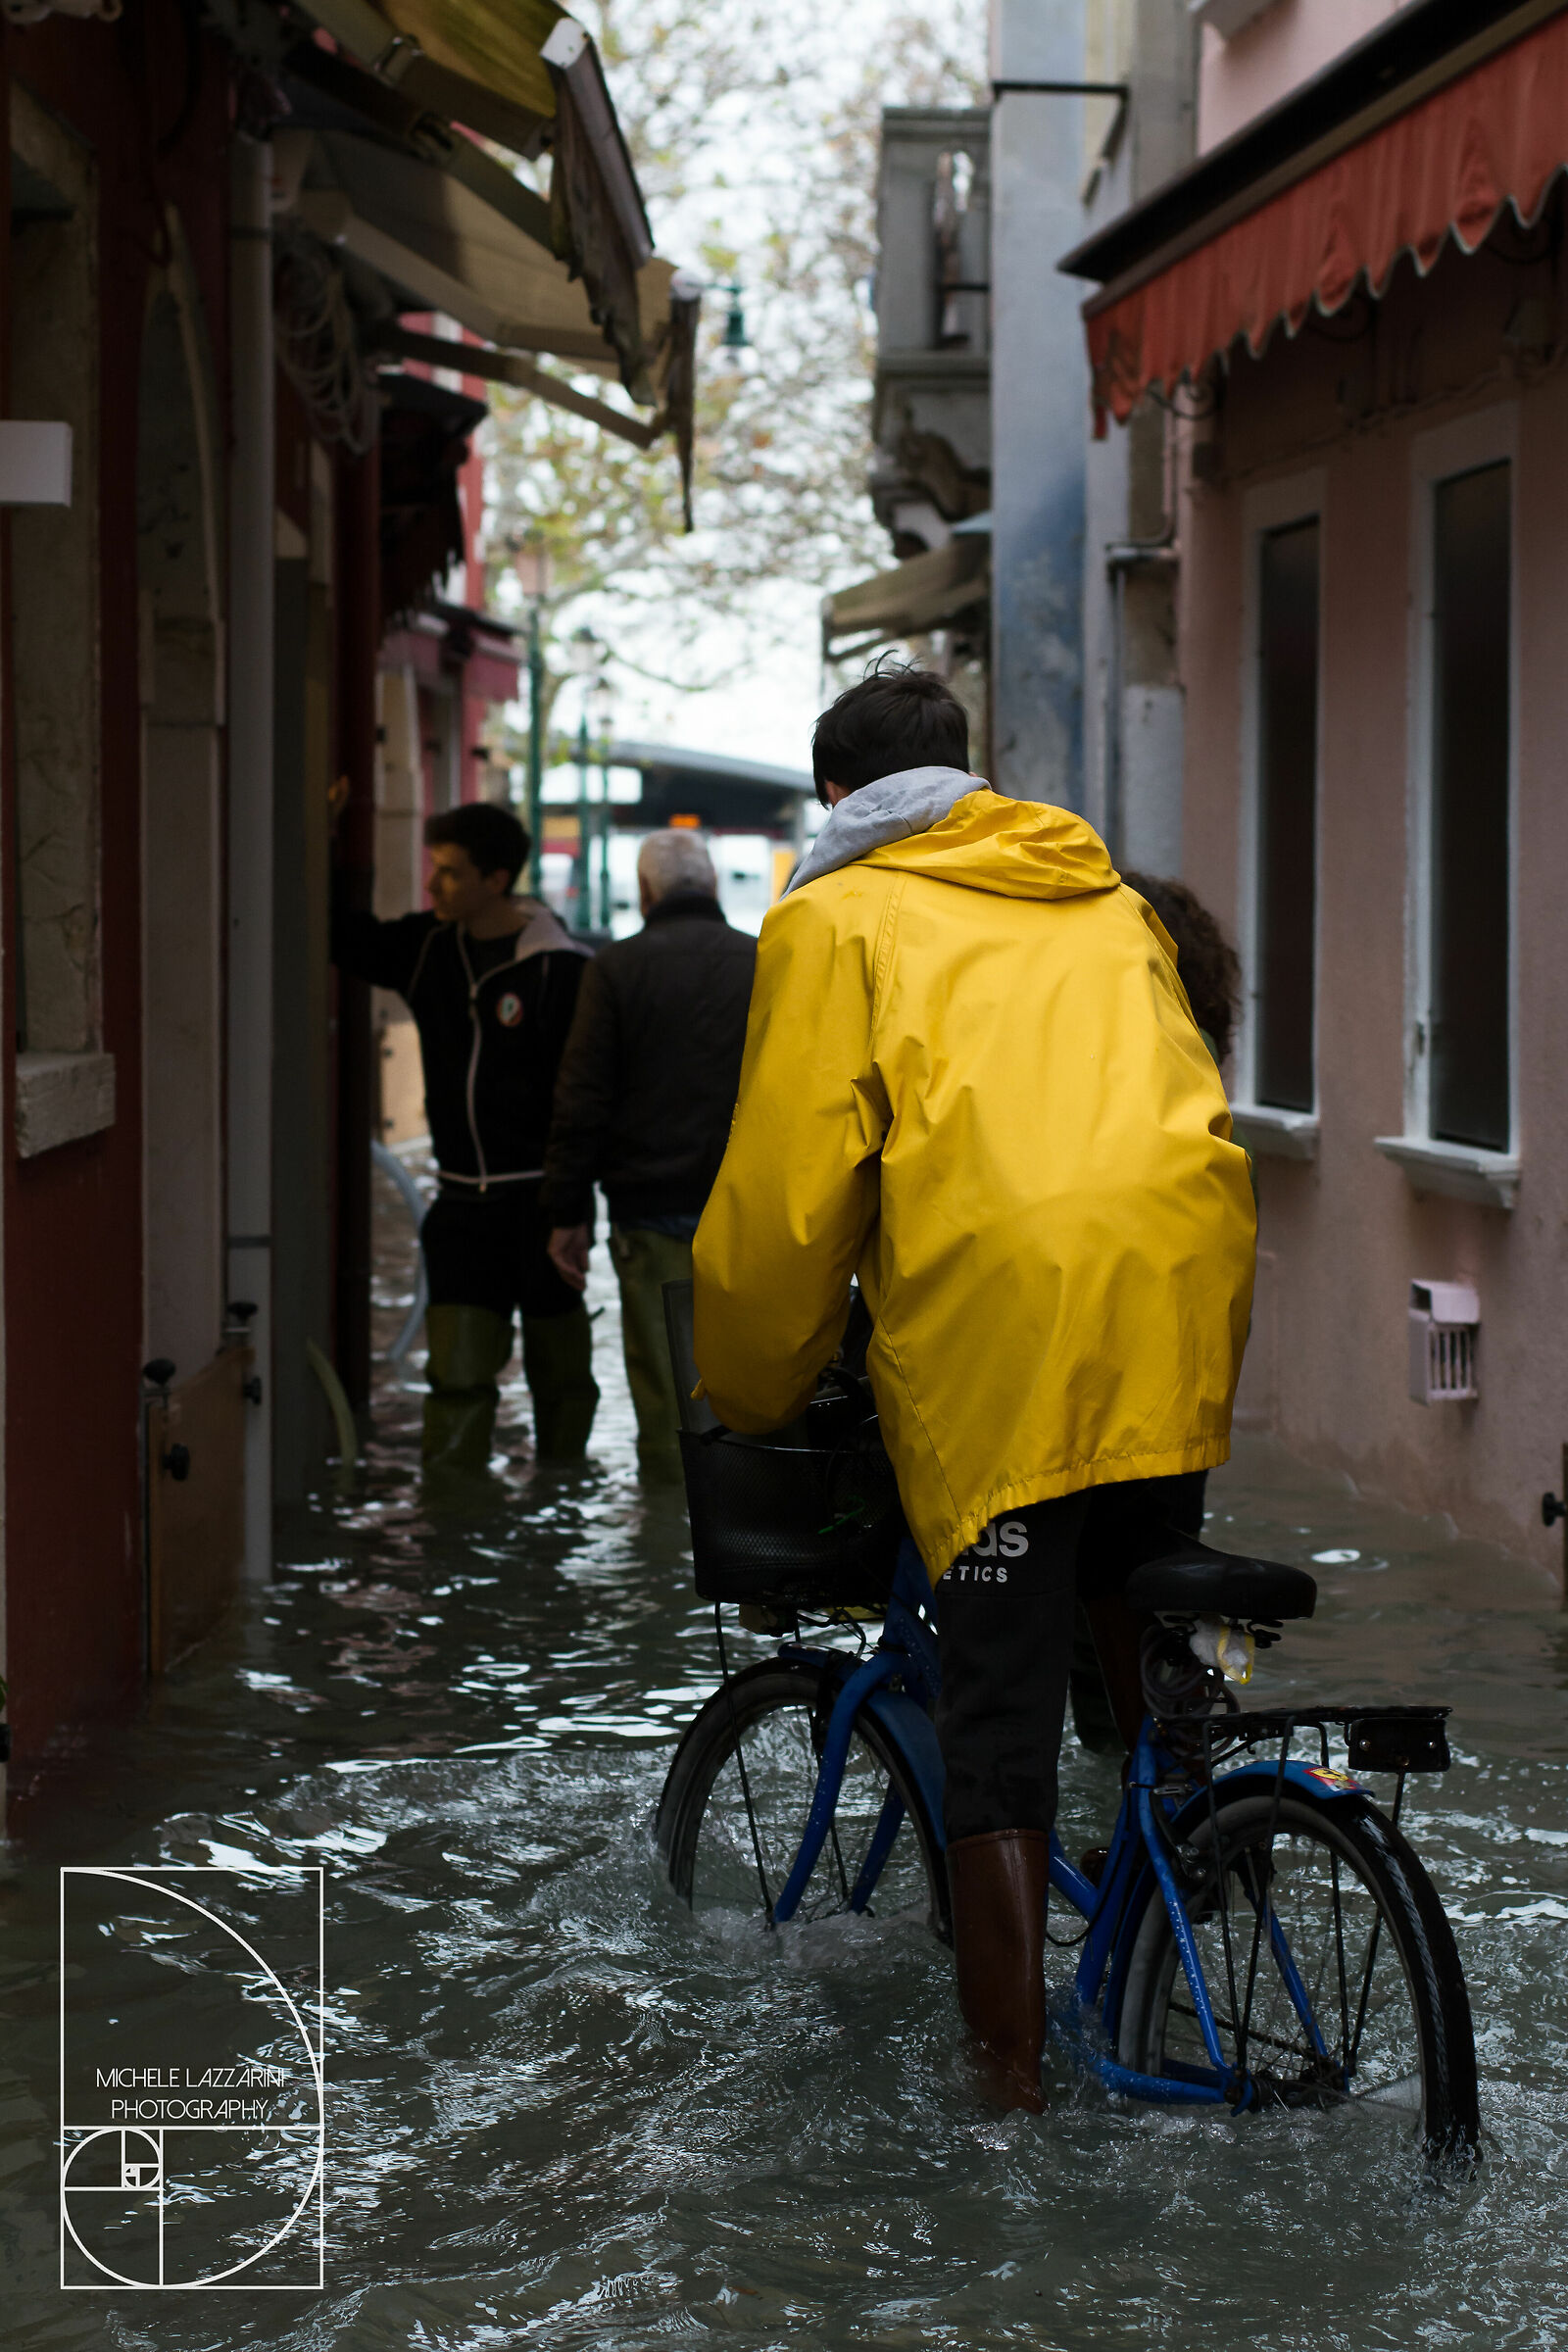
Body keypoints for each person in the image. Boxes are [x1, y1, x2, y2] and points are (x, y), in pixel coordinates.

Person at [690, 662, 1256, 2113]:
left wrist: (753, 1383)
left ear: (837, 796)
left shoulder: (836, 917)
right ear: (968, 772)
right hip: (1181, 1302)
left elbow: (789, 1204)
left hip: (1008, 1330)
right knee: (1136, 1619)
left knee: (996, 1727)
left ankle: (1003, 2089)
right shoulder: (1103, 895)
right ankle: (1195, 1859)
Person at [331, 798, 599, 1475]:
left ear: (497, 878)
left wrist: (572, 1210)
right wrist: (332, 833)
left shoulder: (559, 970)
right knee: (455, 1381)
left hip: (539, 1206)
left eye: (449, 873)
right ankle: (453, 1520)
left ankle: (558, 1512)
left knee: (562, 1384)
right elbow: (343, 934)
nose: (432, 885)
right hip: (460, 1210)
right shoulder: (427, 949)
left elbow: (582, 1100)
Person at [1066, 869, 1244, 1753]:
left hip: (1100, 1352)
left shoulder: (1108, 1059)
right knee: (1158, 1586)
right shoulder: (1201, 1053)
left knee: (1093, 1594)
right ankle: (1179, 1811)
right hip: (1184, 1358)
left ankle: (1134, 1801)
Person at [543, 830, 757, 1483]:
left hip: (647, 1212)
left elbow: (582, 1096)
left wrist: (566, 1211)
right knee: (756, 1391)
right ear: (714, 887)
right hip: (751, 1216)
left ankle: (672, 1543)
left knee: (667, 1399)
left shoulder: (615, 967)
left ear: (643, 892)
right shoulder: (764, 959)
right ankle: (753, 1545)